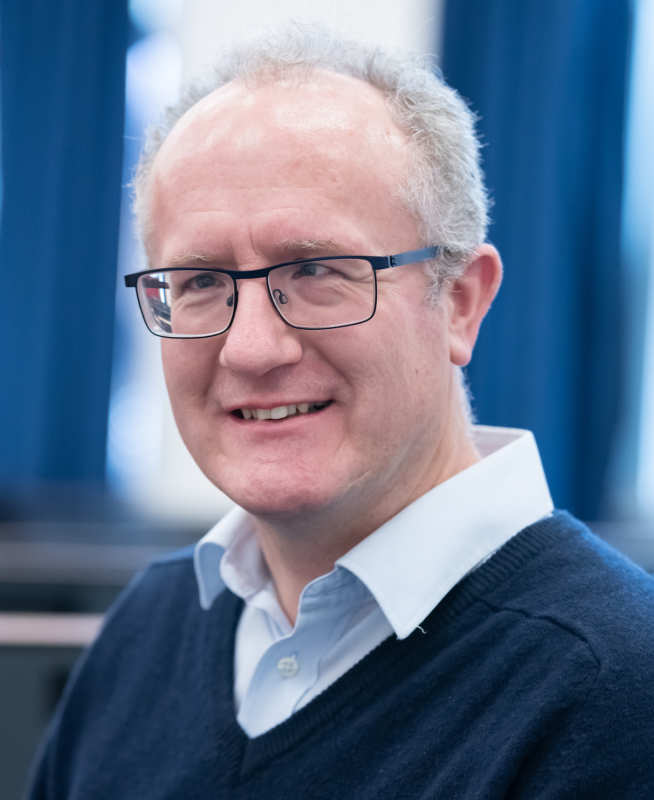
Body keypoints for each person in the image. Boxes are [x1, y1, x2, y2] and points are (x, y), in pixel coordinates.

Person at [28, 26, 654, 799]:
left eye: (318, 270)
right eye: (199, 282)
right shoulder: (149, 628)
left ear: (460, 303)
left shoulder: (616, 688)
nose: (251, 348)